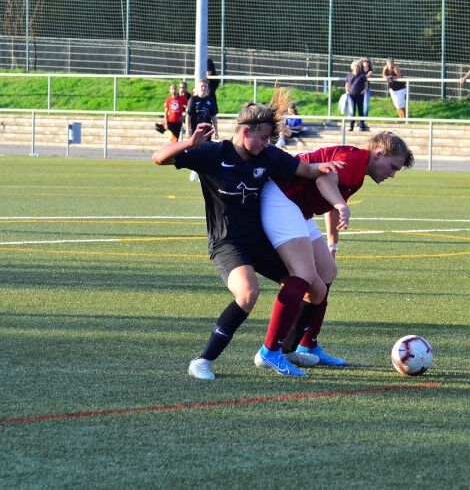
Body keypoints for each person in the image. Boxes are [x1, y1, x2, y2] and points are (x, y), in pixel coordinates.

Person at [151, 90, 343, 380]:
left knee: (314, 288)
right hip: (228, 242)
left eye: (268, 139)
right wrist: (190, 142)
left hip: (259, 240)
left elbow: (304, 169)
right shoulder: (213, 153)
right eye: (263, 137)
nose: (267, 143)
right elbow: (158, 158)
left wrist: (323, 168)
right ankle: (202, 361)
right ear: (244, 131)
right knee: (248, 293)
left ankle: (282, 351)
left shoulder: (268, 156)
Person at [256, 131, 415, 369]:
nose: (392, 174)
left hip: (298, 207)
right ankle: (270, 350)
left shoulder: (359, 169)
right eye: (392, 166)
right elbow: (324, 180)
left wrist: (333, 243)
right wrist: (341, 204)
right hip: (282, 197)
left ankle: (307, 344)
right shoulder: (357, 159)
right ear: (379, 153)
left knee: (328, 270)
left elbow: (332, 201)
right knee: (304, 274)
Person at [185, 79, 219, 181]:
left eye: (205, 86)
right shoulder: (193, 100)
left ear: (207, 88)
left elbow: (213, 116)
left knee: (206, 151)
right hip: (196, 130)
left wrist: (216, 130)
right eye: (202, 86)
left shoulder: (210, 100)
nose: (203, 88)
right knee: (196, 151)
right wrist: (187, 129)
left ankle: (202, 173)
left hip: (207, 130)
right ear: (198, 88)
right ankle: (195, 170)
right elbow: (188, 115)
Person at [345, 60, 368, 132]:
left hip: (359, 95)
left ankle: (362, 126)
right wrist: (347, 91)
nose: (356, 67)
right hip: (351, 95)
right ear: (352, 67)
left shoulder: (362, 75)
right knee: (352, 110)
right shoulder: (349, 74)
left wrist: (364, 91)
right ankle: (351, 126)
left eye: (358, 66)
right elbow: (346, 84)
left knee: (360, 110)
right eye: (355, 66)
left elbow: (366, 84)